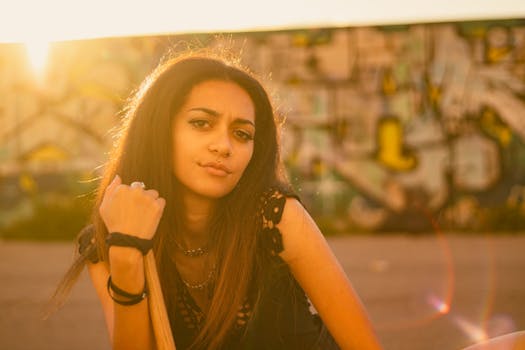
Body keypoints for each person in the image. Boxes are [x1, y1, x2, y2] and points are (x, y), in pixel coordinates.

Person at [54, 51, 383, 350]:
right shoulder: (108, 236)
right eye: (201, 123)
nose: (223, 146)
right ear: (159, 130)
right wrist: (127, 254)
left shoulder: (276, 216)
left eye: (242, 134)